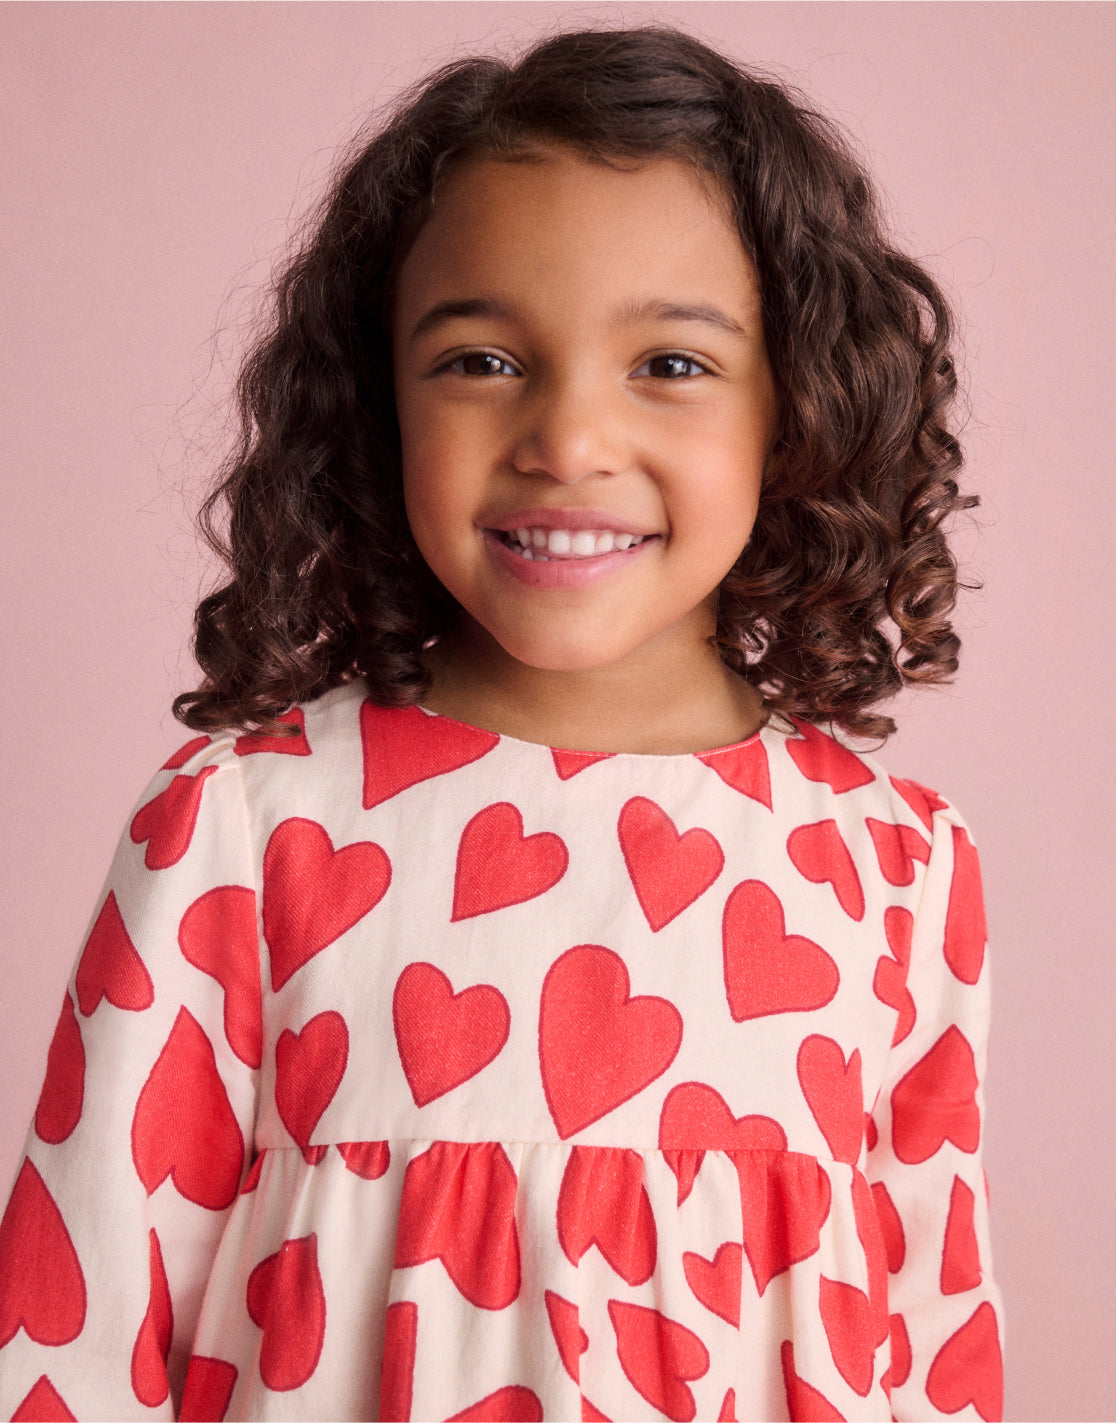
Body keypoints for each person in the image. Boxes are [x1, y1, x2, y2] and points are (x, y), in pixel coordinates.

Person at [0, 24, 1004, 1423]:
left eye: (672, 364)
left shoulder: (896, 869)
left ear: (802, 411)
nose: (567, 438)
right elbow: (71, 1330)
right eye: (480, 360)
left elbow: (934, 1335)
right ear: (374, 402)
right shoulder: (245, 828)